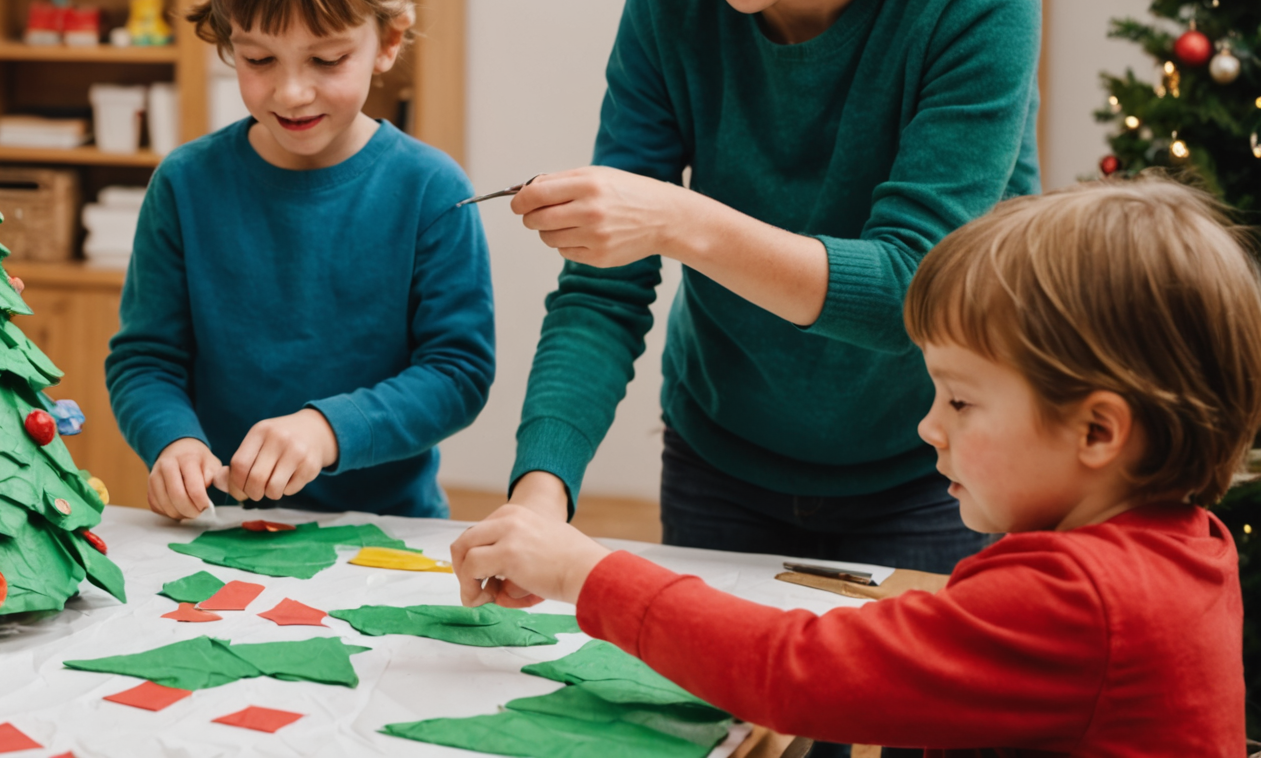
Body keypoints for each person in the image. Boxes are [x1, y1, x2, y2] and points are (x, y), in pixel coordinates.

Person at [501, 0, 1039, 580]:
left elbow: (913, 290)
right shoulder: (667, 4)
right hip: (724, 460)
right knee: (729, 728)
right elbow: (603, 289)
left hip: (944, 469)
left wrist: (674, 218)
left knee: (928, 728)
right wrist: (538, 491)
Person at [452, 177, 1257, 755]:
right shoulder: (1188, 545)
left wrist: (586, 574)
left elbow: (795, 674)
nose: (927, 426)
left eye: (962, 403)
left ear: (1098, 432)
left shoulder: (1078, 600)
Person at [105, 0, 495, 520]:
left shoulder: (431, 190)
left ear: (388, 41)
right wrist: (171, 438)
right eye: (259, 60)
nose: (290, 92)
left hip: (387, 533)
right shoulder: (185, 184)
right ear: (229, 42)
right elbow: (146, 361)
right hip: (226, 528)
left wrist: (326, 429)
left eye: (325, 59)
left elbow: (456, 374)